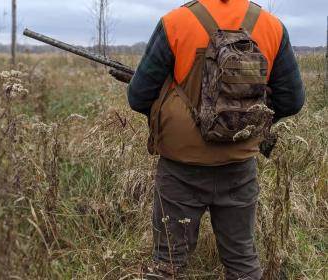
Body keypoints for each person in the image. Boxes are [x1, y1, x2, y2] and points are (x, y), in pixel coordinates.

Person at [126, 0, 305, 279]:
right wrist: (247, 122)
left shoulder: (175, 23)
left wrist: (174, 108)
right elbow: (292, 100)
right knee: (243, 262)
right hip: (239, 168)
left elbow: (138, 96)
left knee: (167, 264)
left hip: (180, 169)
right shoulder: (271, 27)